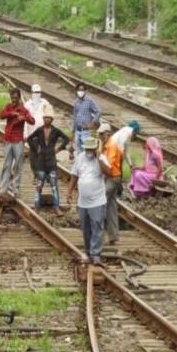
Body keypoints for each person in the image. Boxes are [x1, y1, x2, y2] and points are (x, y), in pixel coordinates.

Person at [68, 137, 111, 265]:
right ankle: (88, 252)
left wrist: (98, 158)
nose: (88, 151)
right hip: (83, 201)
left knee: (97, 226)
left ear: (95, 148)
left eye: (91, 149)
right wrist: (69, 191)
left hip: (97, 200)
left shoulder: (101, 158)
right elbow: (74, 175)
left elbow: (109, 172)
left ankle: (96, 253)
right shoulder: (80, 158)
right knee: (85, 228)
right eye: (87, 148)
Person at [28, 105, 69, 214]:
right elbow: (29, 138)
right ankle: (36, 206)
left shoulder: (55, 131)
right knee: (39, 185)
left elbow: (66, 138)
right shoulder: (40, 130)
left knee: (54, 185)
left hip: (51, 161)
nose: (47, 120)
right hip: (41, 161)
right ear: (43, 119)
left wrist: (59, 149)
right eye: (45, 118)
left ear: (52, 120)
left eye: (49, 118)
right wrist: (36, 148)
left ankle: (56, 207)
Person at [0, 88, 34, 199]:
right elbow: (1, 115)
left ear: (19, 97)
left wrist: (24, 117)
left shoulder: (23, 109)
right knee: (6, 165)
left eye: (15, 97)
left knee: (18, 165)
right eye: (12, 97)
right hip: (8, 139)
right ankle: (3, 189)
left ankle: (15, 189)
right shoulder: (8, 107)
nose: (13, 99)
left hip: (18, 141)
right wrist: (12, 113)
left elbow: (32, 121)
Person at [98, 122, 123, 245]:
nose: (100, 136)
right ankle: (113, 236)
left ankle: (99, 235)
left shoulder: (111, 146)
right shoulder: (107, 144)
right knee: (111, 207)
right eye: (99, 134)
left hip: (112, 177)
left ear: (108, 133)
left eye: (102, 134)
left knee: (100, 202)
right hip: (113, 177)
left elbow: (109, 164)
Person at [70, 82, 101, 157]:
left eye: (82, 90)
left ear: (85, 91)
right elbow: (75, 116)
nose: (80, 92)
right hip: (78, 130)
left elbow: (98, 111)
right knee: (79, 152)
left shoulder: (89, 101)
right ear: (76, 91)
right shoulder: (76, 102)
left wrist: (92, 122)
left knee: (88, 151)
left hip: (86, 131)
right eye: (79, 90)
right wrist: (73, 131)